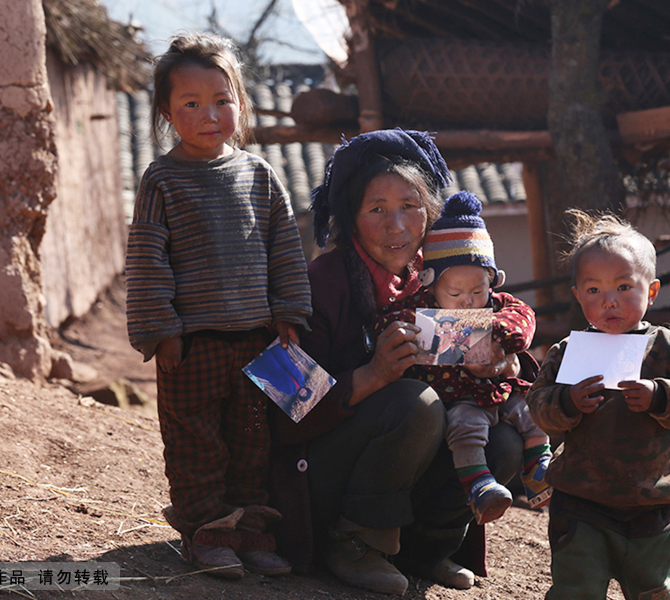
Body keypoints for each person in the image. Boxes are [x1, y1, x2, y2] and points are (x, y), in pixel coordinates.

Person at [267, 129, 529, 596]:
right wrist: (371, 376)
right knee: (416, 403)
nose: (398, 226)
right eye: (376, 209)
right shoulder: (316, 283)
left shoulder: (439, 278)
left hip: (405, 464)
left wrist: (502, 364)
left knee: (503, 443)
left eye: (410, 206)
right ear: (350, 219)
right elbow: (279, 411)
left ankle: (424, 551)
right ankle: (352, 542)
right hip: (318, 477)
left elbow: (498, 343)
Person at [125, 33, 312, 580]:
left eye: (222, 100)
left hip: (259, 341)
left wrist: (289, 313)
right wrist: (162, 330)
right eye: (191, 104)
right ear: (166, 112)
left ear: (241, 102)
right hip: (193, 344)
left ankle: (252, 531)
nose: (210, 115)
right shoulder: (161, 179)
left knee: (253, 443)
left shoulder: (259, 175)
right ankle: (206, 533)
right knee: (196, 443)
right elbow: (147, 259)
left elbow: (285, 248)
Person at [527, 209, 670, 599]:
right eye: (594, 290)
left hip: (653, 502)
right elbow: (538, 406)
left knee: (654, 590)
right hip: (580, 502)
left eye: (623, 287)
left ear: (651, 291)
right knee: (575, 589)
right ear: (578, 295)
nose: (608, 302)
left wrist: (660, 395)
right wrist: (567, 400)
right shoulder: (568, 353)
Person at [375, 191, 553, 525]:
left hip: (504, 391)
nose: (468, 302)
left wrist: (495, 332)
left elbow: (523, 317)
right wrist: (462, 334)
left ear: (492, 281)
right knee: (465, 429)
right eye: (455, 294)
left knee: (533, 413)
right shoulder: (418, 310)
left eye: (478, 292)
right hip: (461, 399)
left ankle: (539, 466)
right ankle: (479, 486)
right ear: (430, 286)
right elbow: (389, 322)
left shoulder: (499, 307)